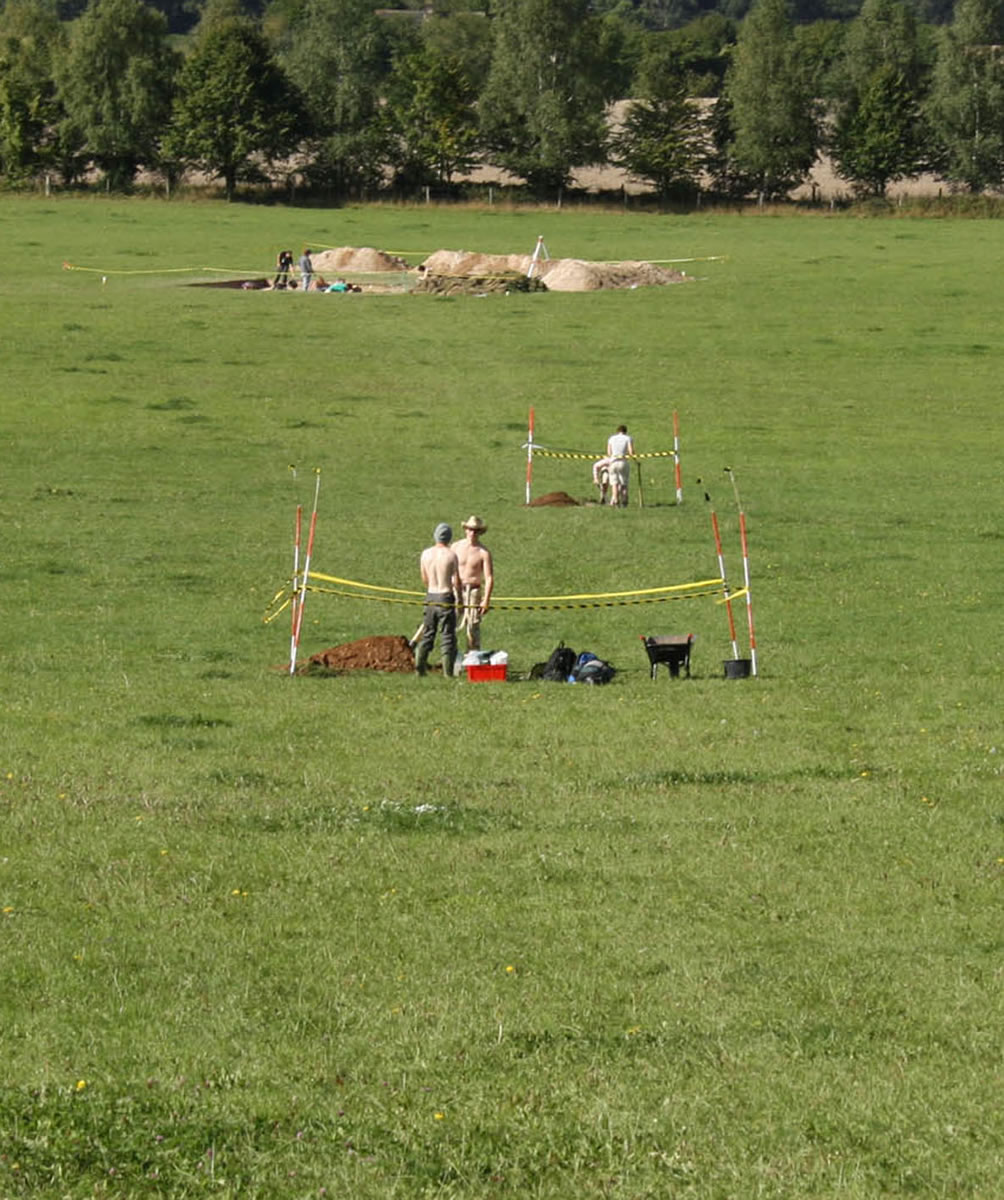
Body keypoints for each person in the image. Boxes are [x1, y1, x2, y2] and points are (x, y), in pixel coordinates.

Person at [414, 523, 461, 677]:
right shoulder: (451, 555)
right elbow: (456, 581)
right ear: (449, 538)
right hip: (446, 596)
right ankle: (448, 673)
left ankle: (419, 668)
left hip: (430, 596)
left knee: (428, 633)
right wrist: (459, 599)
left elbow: (424, 578)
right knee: (447, 635)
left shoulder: (425, 554)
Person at [452, 515, 494, 653]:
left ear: (480, 532)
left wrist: (486, 600)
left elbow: (489, 578)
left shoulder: (484, 552)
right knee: (452, 623)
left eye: (475, 531)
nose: (472, 533)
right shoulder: (456, 547)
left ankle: (472, 657)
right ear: (465, 530)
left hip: (474, 591)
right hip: (456, 590)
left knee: (472, 626)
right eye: (470, 530)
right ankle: (450, 656)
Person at [606, 424, 635, 507]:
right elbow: (631, 452)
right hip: (623, 462)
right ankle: (624, 500)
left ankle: (615, 499)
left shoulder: (611, 438)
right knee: (624, 484)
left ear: (617, 431)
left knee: (614, 483)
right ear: (625, 431)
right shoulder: (628, 438)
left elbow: (609, 453)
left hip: (613, 462)